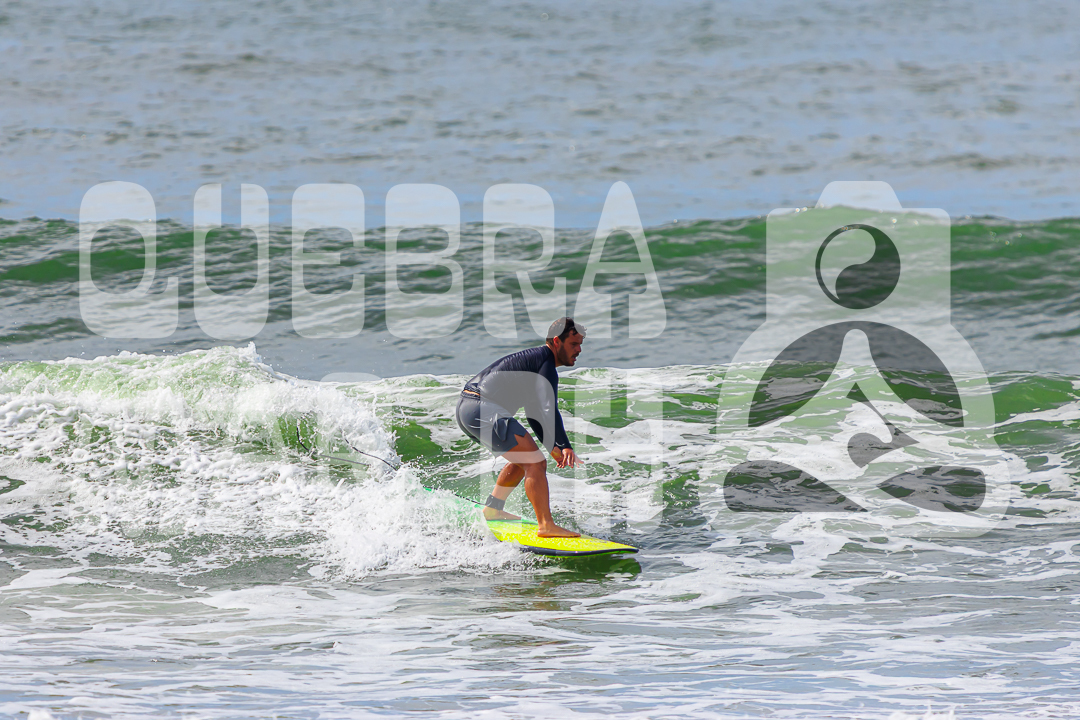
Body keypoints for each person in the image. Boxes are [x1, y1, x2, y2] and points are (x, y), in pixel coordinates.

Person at [455, 317, 585, 538]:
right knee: (535, 462)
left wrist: (552, 445)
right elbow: (549, 408)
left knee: (524, 459)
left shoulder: (536, 364)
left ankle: (493, 509)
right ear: (556, 341)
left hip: (468, 408)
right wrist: (564, 445)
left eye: (580, 344)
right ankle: (546, 525)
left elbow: (535, 413)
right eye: (573, 344)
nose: (579, 350)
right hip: (481, 407)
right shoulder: (545, 363)